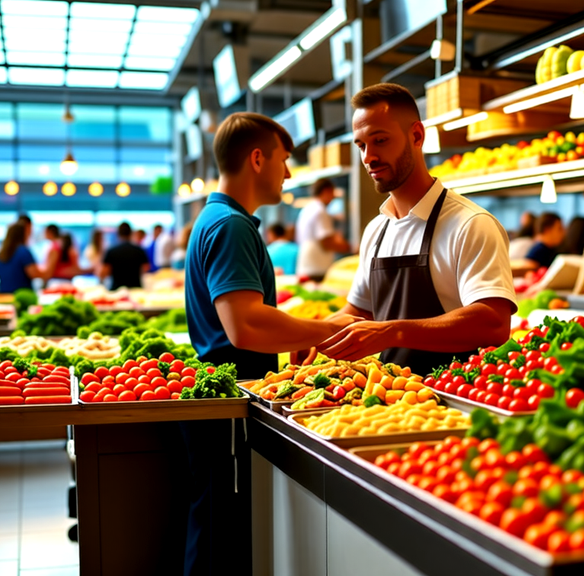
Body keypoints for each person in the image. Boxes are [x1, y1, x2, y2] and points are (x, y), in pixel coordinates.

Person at [182, 112, 358, 576]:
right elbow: (244, 325)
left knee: (217, 526)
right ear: (257, 159)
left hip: (227, 391)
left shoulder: (219, 218)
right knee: (220, 535)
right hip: (230, 398)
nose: (288, 173)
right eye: (283, 160)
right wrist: (329, 331)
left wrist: (299, 335)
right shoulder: (232, 226)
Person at [316, 83, 516, 375]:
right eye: (361, 145)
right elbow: (361, 311)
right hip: (390, 401)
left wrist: (393, 332)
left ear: (417, 136)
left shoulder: (471, 224)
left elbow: (494, 323)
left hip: (451, 404)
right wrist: (315, 334)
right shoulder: (376, 230)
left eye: (380, 140)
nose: (368, 157)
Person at [295, 178, 351, 281]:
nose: (333, 197)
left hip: (306, 265)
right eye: (332, 193)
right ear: (326, 191)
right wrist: (350, 248)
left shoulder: (307, 209)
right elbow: (327, 243)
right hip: (317, 269)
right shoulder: (320, 211)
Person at [0, 223, 47, 293]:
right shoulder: (23, 252)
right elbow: (34, 274)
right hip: (22, 295)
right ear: (22, 234)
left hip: (4, 295)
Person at [100, 222, 149, 290]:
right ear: (130, 233)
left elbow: (104, 273)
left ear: (118, 234)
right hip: (136, 290)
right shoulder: (139, 250)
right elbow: (146, 268)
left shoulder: (111, 251)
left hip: (116, 290)